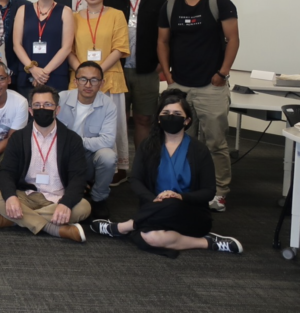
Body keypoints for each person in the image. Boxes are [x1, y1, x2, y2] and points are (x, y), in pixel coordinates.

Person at [91, 89, 243, 256]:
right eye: (166, 113)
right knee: (150, 237)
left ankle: (123, 227)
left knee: (171, 202)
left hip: (190, 212)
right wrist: (154, 199)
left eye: (177, 114)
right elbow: (135, 179)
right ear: (158, 119)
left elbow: (209, 191)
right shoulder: (148, 145)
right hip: (155, 209)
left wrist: (180, 197)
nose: (171, 117)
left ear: (187, 120)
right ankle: (208, 242)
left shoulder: (199, 150)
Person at [158, 0, 239, 212]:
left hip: (211, 86)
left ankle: (220, 191)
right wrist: (168, 76)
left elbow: (233, 39)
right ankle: (185, 188)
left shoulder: (219, 1)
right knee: (180, 140)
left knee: (215, 142)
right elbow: (162, 41)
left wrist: (222, 73)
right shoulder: (171, 5)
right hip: (179, 85)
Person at [0, 85, 92, 242]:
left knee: (83, 207)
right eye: (37, 105)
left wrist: (66, 204)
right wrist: (11, 198)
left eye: (47, 105)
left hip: (57, 199)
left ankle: (12, 220)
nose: (42, 109)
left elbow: (78, 177)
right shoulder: (18, 138)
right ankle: (54, 229)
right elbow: (6, 172)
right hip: (25, 196)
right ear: (30, 110)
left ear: (57, 109)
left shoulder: (72, 139)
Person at [108, 0, 167, 184]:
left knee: (144, 119)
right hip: (116, 70)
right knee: (117, 121)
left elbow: (166, 37)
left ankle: (142, 168)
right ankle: (118, 167)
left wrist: (161, 65)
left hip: (146, 70)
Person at [66, 0, 131, 182]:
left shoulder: (117, 15)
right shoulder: (73, 17)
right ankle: (78, 171)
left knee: (108, 126)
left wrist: (96, 74)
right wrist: (84, 75)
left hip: (109, 79)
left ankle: (110, 171)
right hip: (79, 81)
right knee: (79, 126)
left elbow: (120, 48)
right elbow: (68, 49)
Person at [57, 62, 118, 219]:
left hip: (89, 156)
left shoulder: (109, 105)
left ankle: (99, 198)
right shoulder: (61, 98)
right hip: (62, 155)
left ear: (102, 83)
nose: (88, 85)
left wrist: (76, 142)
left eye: (94, 80)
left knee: (108, 157)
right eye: (83, 79)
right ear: (75, 81)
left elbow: (107, 141)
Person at [12, 0, 75, 96]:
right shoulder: (23, 10)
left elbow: (66, 48)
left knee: (55, 108)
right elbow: (17, 45)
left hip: (55, 75)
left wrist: (44, 73)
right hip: (28, 76)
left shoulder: (65, 11)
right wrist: (33, 69)